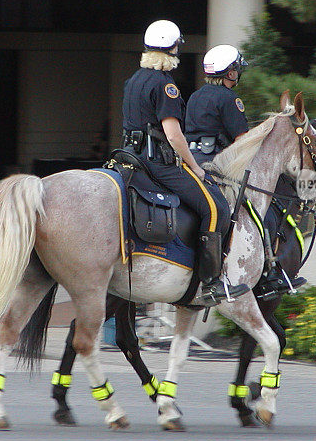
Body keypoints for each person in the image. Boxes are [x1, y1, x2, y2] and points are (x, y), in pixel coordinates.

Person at [122, 20, 249, 307]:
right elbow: (173, 134)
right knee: (217, 208)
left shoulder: (133, 80)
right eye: (178, 45)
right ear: (173, 48)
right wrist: (195, 166)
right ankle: (211, 282)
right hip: (158, 163)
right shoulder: (165, 85)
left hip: (129, 158)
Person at [185, 44, 305, 298]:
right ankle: (268, 273)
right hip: (220, 165)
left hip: (192, 161)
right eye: (236, 70)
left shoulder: (195, 96)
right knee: (260, 212)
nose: (238, 74)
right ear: (229, 73)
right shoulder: (230, 99)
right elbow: (242, 140)